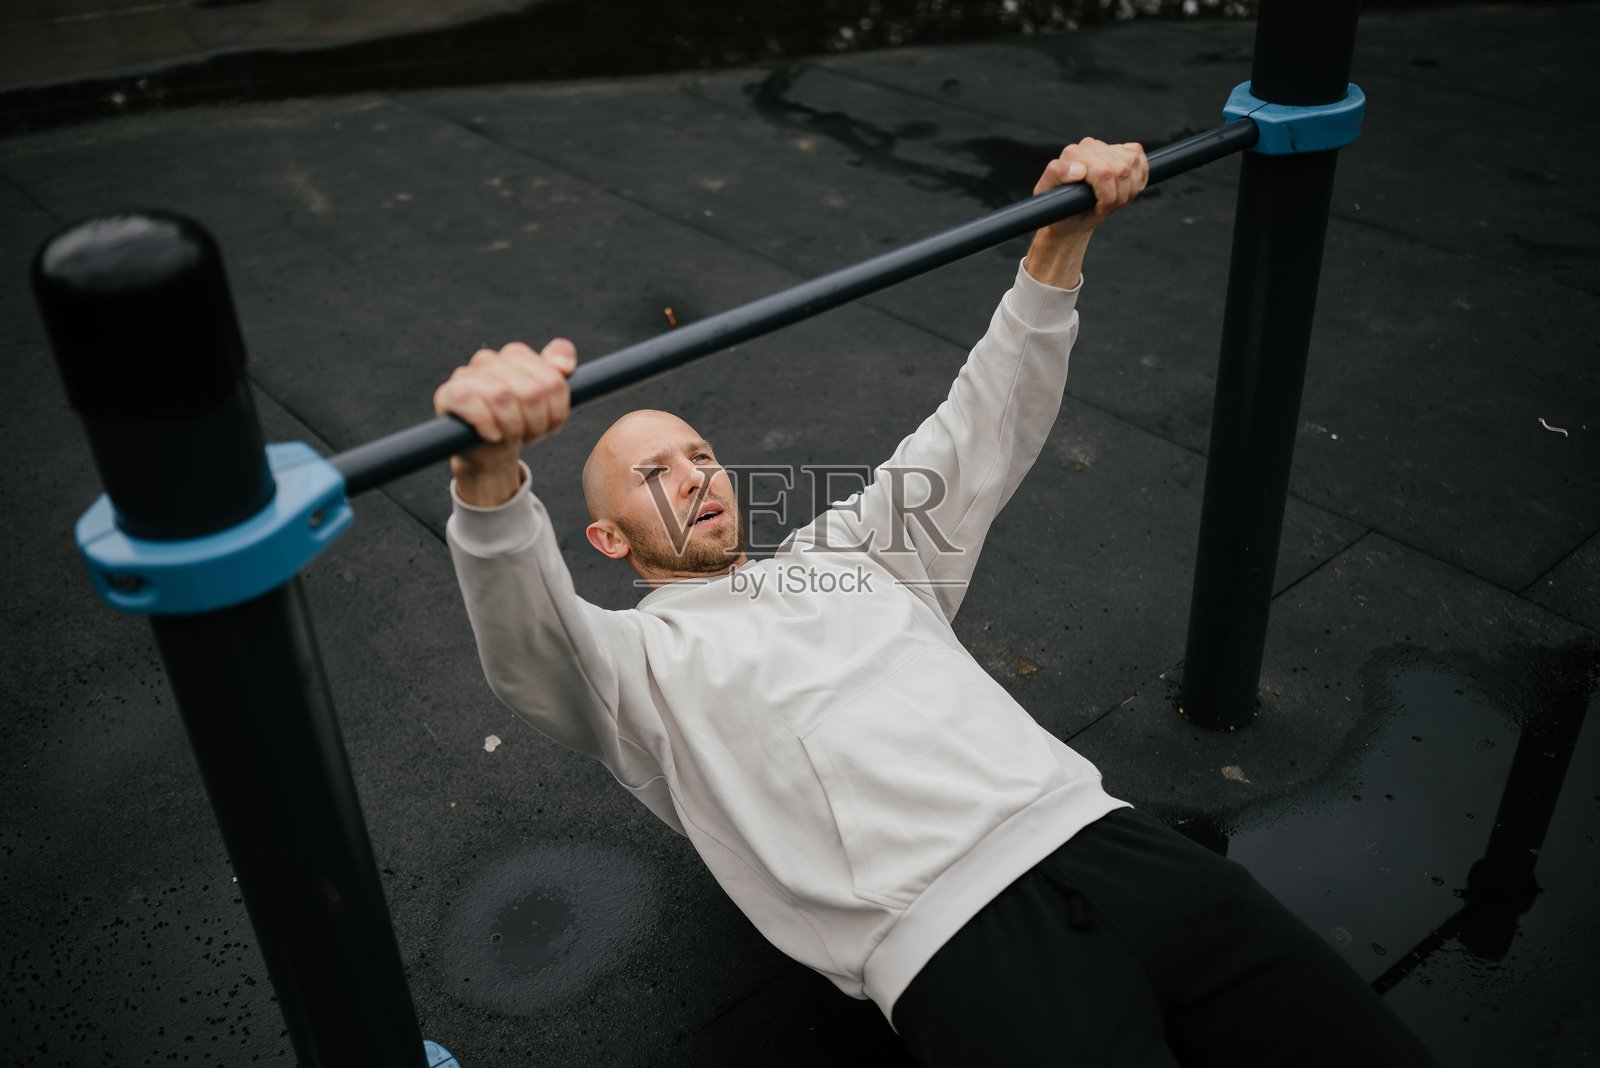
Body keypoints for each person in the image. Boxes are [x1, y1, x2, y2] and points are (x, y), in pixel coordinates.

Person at [435, 139, 1438, 1066]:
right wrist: (489, 485)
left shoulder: (852, 554)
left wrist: (1059, 238)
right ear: (608, 540)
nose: (694, 475)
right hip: (957, 942)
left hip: (1113, 844)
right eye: (654, 473)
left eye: (699, 454)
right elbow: (531, 645)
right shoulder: (635, 670)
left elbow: (978, 425)